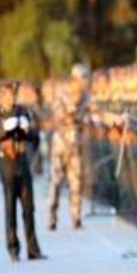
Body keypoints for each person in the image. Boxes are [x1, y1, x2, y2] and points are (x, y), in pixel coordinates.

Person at [0, 80, 46, 262]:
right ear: (1, 96)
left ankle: (33, 249)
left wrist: (27, 129)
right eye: (7, 94)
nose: (11, 98)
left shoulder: (23, 111)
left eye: (14, 94)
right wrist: (2, 130)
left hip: (23, 162)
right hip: (7, 165)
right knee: (10, 209)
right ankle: (13, 249)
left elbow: (35, 137)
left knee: (29, 209)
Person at [48, 63, 90, 230]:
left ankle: (76, 217)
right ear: (75, 79)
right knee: (56, 182)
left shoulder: (86, 97)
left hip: (76, 146)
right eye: (84, 78)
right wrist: (74, 110)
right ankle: (52, 217)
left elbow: (96, 110)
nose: (86, 81)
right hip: (60, 145)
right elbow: (58, 118)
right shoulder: (62, 95)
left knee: (77, 182)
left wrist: (116, 118)